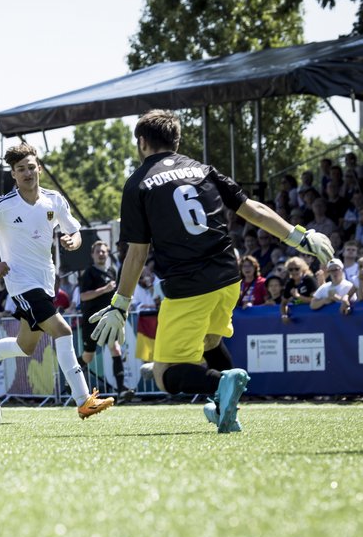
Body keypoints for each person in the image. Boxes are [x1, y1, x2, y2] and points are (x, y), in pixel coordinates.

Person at [87, 109, 333, 433]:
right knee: (209, 342)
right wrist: (300, 236)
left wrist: (120, 304)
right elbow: (254, 210)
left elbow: (136, 254)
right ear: (176, 140)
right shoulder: (202, 170)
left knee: (165, 374)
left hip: (188, 286)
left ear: (142, 142)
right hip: (228, 278)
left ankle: (221, 385)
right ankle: (225, 412)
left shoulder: (138, 184)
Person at [0, 142, 114, 419]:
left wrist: (72, 242)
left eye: (31, 167)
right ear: (13, 175)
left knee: (24, 346)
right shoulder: (3, 205)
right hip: (20, 283)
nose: (28, 173)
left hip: (45, 282)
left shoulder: (54, 200)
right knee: (63, 332)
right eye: (21, 169)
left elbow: (75, 233)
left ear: (38, 168)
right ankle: (83, 399)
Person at [78, 240, 131, 400]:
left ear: (108, 254)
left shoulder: (112, 271)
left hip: (108, 318)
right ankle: (71, 379)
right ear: (92, 255)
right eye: (98, 252)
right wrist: (104, 289)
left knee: (115, 348)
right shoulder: (88, 273)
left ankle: (121, 389)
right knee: (89, 356)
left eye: (104, 251)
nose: (101, 254)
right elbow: (83, 296)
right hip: (91, 321)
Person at [280, 256, 319, 324]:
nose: (294, 271)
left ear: (303, 268)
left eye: (297, 269)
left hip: (313, 316)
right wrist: (284, 315)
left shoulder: (309, 280)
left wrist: (298, 296)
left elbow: (315, 300)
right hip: (298, 319)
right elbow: (283, 303)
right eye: (290, 269)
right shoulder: (290, 283)